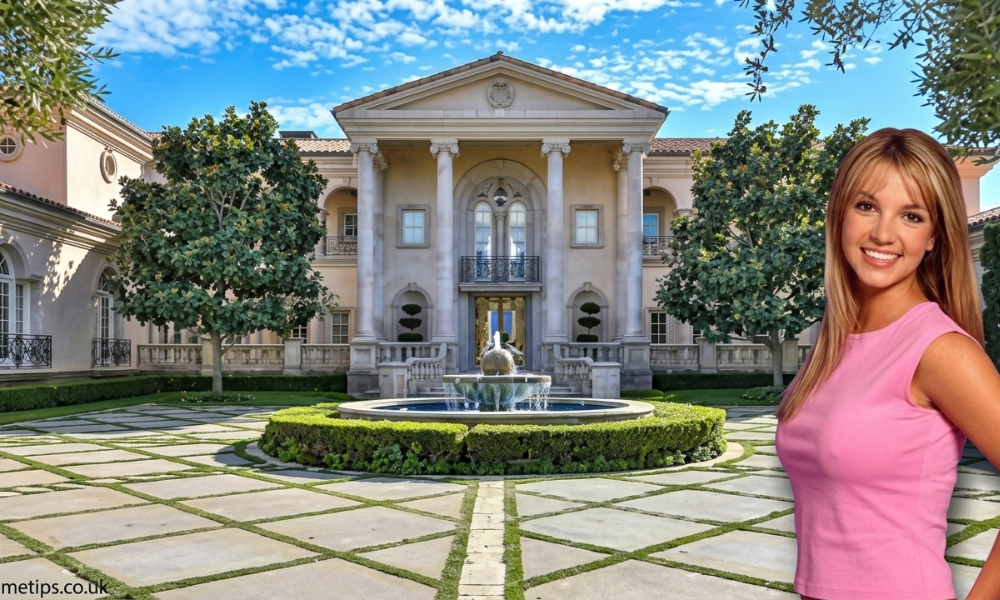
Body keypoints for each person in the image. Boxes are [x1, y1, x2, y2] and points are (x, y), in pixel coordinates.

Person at [775, 128, 1000, 600]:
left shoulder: (940, 350)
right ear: (840, 215)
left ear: (934, 235)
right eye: (866, 206)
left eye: (911, 215)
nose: (882, 233)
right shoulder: (831, 342)